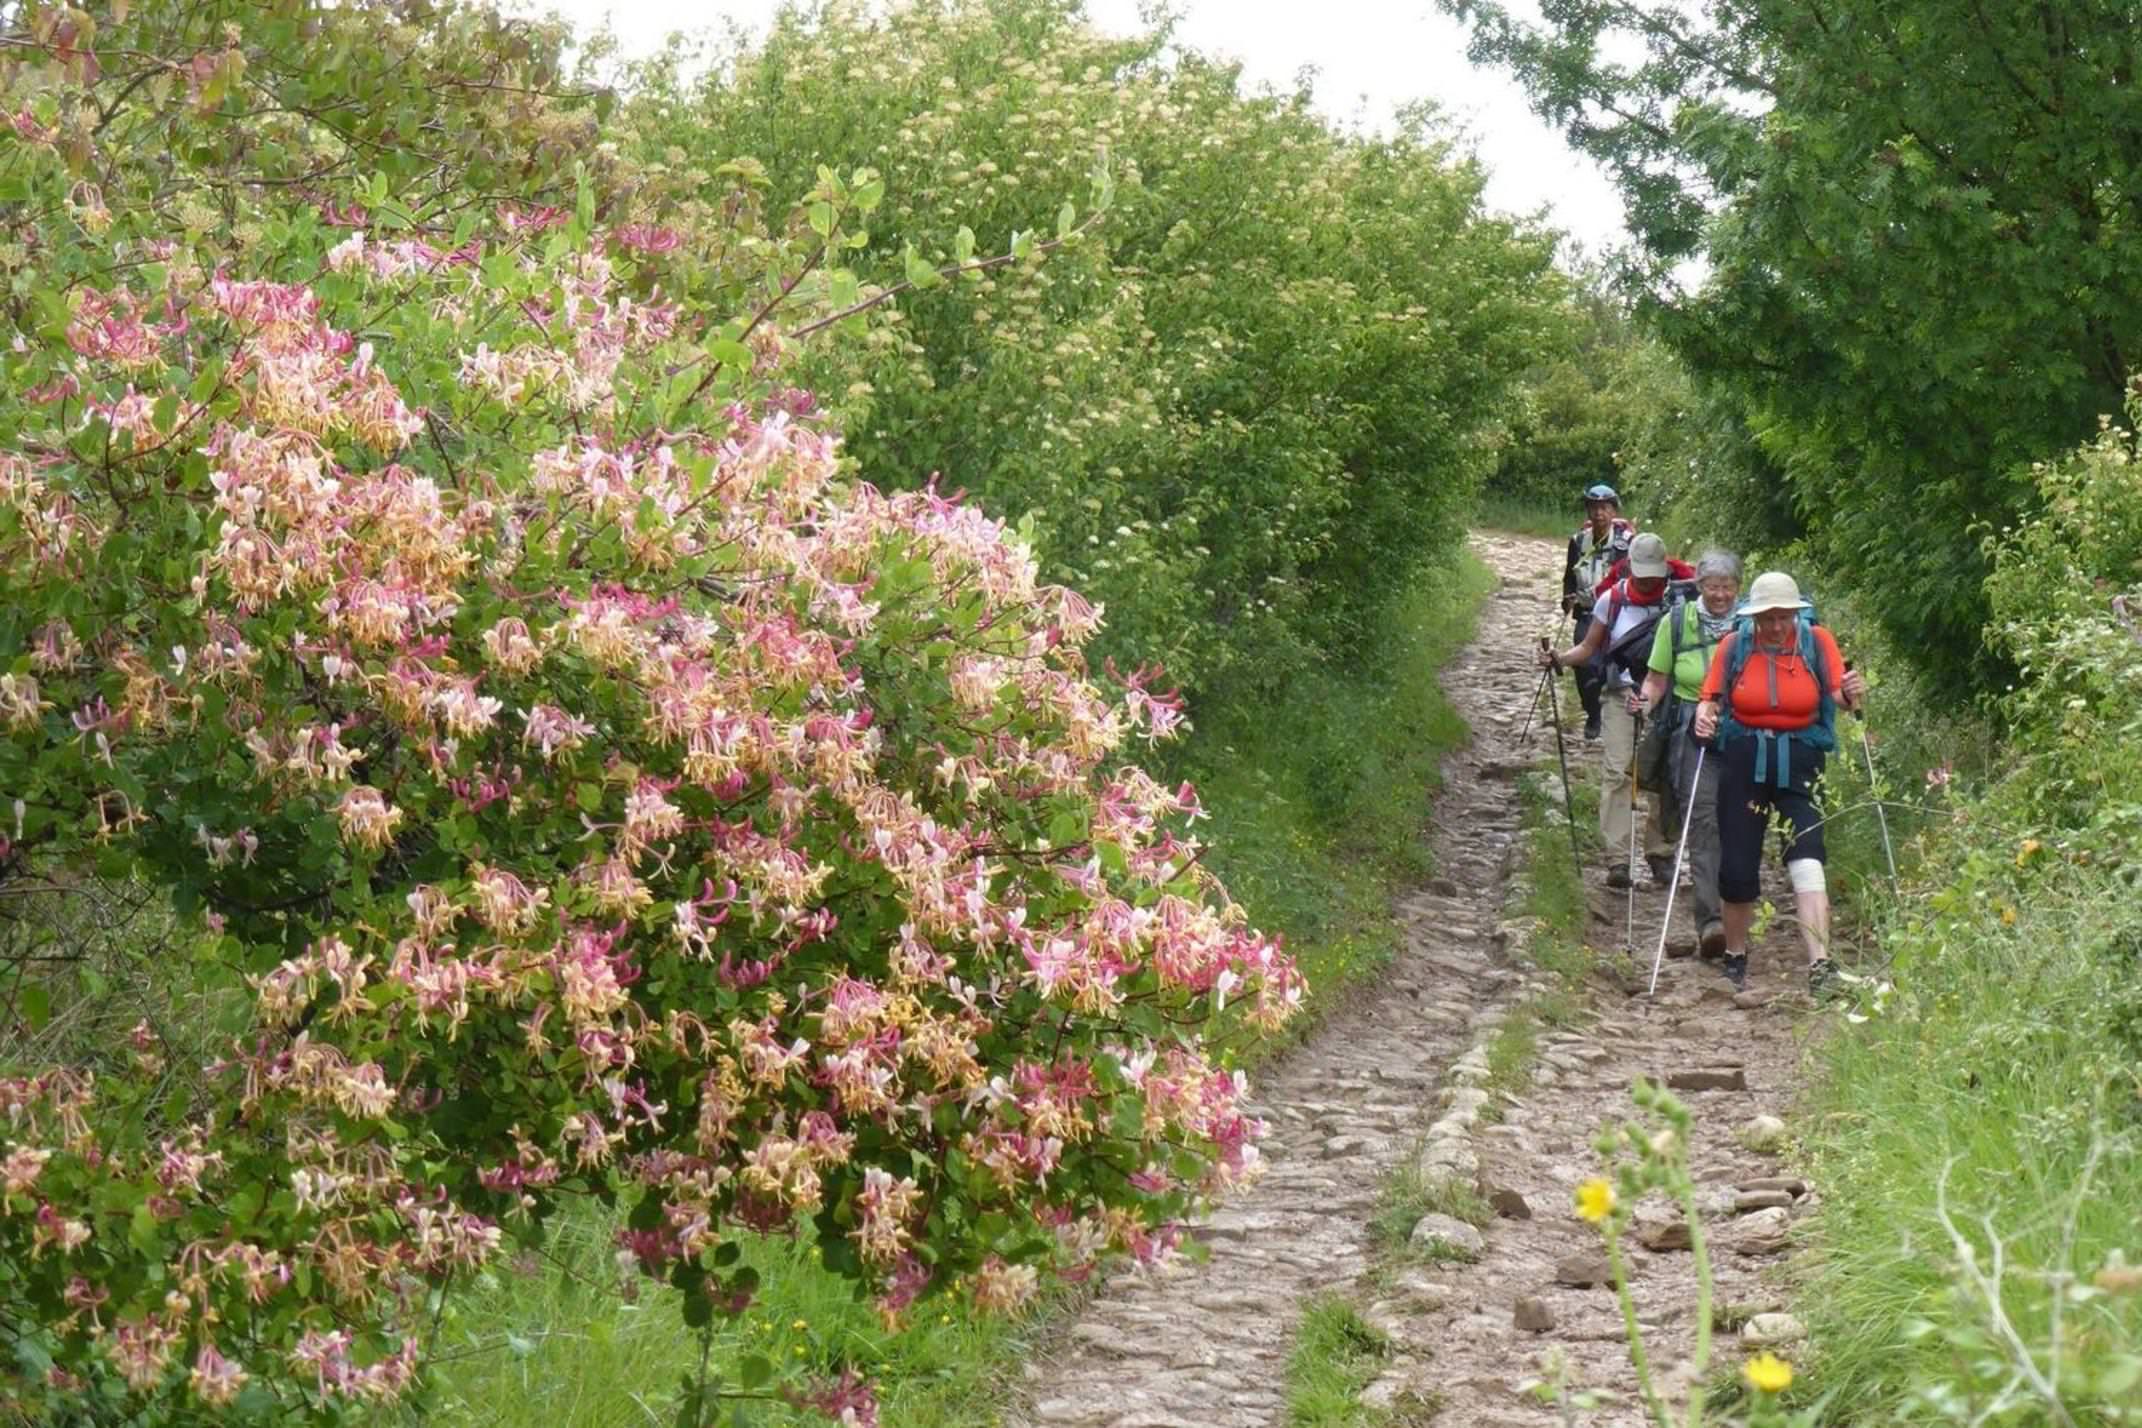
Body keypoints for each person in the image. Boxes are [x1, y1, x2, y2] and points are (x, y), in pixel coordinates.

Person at [1691, 571, 1867, 997]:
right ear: (1752, 617)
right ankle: (1735, 955)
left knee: (1808, 856)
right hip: (1744, 759)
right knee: (1737, 862)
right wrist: (1704, 714)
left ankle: (1821, 965)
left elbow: (1839, 698)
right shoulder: (1735, 646)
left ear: (1795, 614)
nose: (1775, 626)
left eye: (1783, 617)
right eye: (1767, 618)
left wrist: (1852, 692)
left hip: (1801, 761)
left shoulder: (1816, 641)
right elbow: (1710, 697)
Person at [1538, 531, 1678, 890]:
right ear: (1629, 566)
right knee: (1617, 772)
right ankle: (1618, 858)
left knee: (1663, 775)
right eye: (1642, 572)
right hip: (1619, 693)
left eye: (1654, 574)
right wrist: (1560, 659)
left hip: (1665, 696)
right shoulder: (1612, 600)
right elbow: (1588, 646)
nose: (1648, 580)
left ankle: (1660, 852)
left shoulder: (1679, 599)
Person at [1634, 549, 1741, 959]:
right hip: (1688, 732)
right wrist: (1643, 705)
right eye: (1712, 587)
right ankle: (1710, 920)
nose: (1719, 595)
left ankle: (1737, 915)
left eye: (1727, 587)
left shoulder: (1750, 626)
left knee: (1738, 824)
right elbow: (1657, 679)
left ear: (1738, 588)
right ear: (1699, 586)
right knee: (1702, 820)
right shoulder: (1676, 622)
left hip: (1741, 730)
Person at [1561, 484, 1634, 742]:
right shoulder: (1578, 541)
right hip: (1587, 612)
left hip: (1619, 612)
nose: (1599, 513)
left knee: (1616, 666)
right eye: (1594, 508)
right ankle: (1593, 713)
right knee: (1583, 666)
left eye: (1605, 508)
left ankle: (1622, 719)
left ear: (1614, 511)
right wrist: (1567, 599)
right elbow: (1569, 575)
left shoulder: (1627, 544)